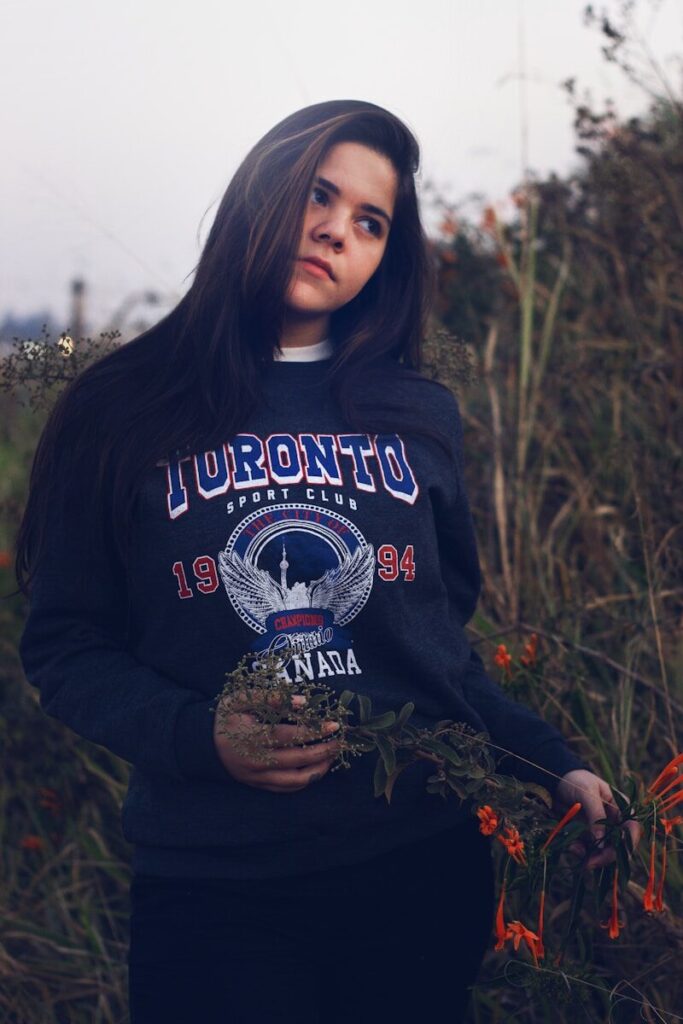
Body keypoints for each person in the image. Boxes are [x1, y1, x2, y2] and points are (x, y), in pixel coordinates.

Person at [15, 99, 640, 1023]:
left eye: (370, 222)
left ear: (387, 255)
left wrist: (552, 765)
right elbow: (66, 645)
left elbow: (436, 651)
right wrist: (201, 737)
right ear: (260, 191)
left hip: (417, 872)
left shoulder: (417, 412)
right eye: (318, 193)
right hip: (213, 886)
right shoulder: (120, 406)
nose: (335, 231)